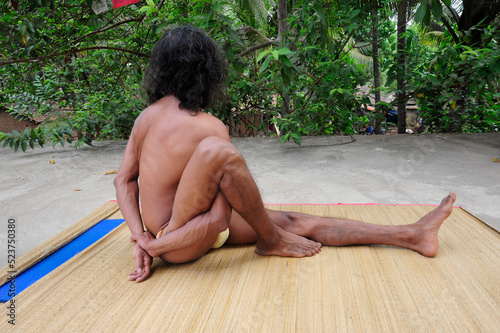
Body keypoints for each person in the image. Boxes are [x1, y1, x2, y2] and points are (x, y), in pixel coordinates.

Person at [114, 26, 457, 283]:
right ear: (208, 73)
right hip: (179, 240)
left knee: (297, 221)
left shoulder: (147, 117)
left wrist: (142, 235)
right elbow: (217, 221)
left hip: (172, 231)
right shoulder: (209, 129)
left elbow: (123, 181)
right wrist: (155, 246)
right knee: (222, 157)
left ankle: (413, 235)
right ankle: (272, 239)